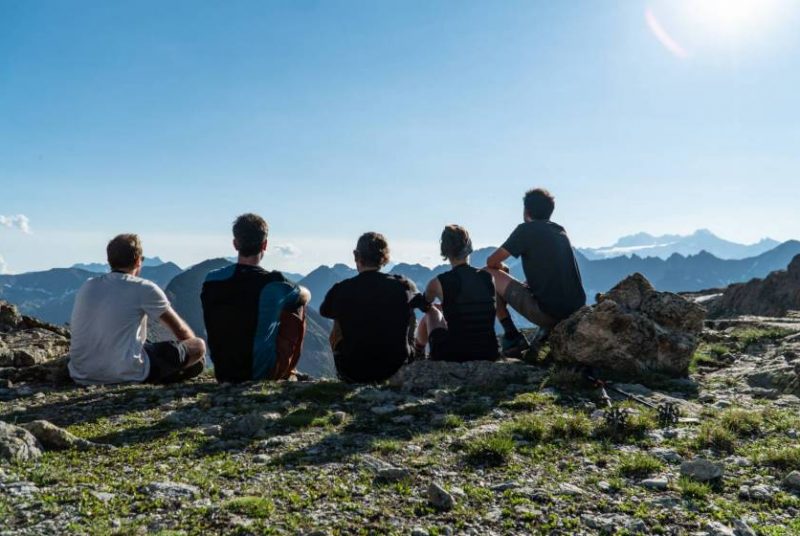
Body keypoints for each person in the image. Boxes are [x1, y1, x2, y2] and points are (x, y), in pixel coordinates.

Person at [69, 234, 206, 385]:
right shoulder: (144, 288)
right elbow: (180, 330)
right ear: (138, 260)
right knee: (198, 345)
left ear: (109, 261)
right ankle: (159, 375)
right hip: (127, 372)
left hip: (81, 373)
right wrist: (191, 355)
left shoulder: (88, 285)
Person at [201, 213, 311, 383]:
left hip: (223, 373)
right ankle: (288, 370)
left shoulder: (211, 280)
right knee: (297, 304)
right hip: (259, 373)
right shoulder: (274, 284)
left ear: (235, 243)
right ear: (264, 245)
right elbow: (306, 296)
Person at [485, 188, 586, 357]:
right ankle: (544, 332)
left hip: (549, 313)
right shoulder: (559, 230)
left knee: (487, 275)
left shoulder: (525, 230)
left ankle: (512, 336)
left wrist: (503, 271)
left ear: (526, 211)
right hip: (575, 309)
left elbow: (491, 262)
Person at [320, 232, 419, 383]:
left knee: (337, 318)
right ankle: (414, 361)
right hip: (395, 366)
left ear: (356, 256)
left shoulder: (342, 288)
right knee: (410, 310)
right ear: (385, 257)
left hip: (352, 370)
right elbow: (423, 303)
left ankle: (344, 371)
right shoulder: (403, 285)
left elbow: (324, 311)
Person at [415, 225, 499, 362]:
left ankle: (417, 354)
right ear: (469, 247)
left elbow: (424, 305)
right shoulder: (488, 277)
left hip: (454, 354)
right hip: (489, 352)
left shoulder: (437, 283)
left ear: (445, 251)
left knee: (432, 311)